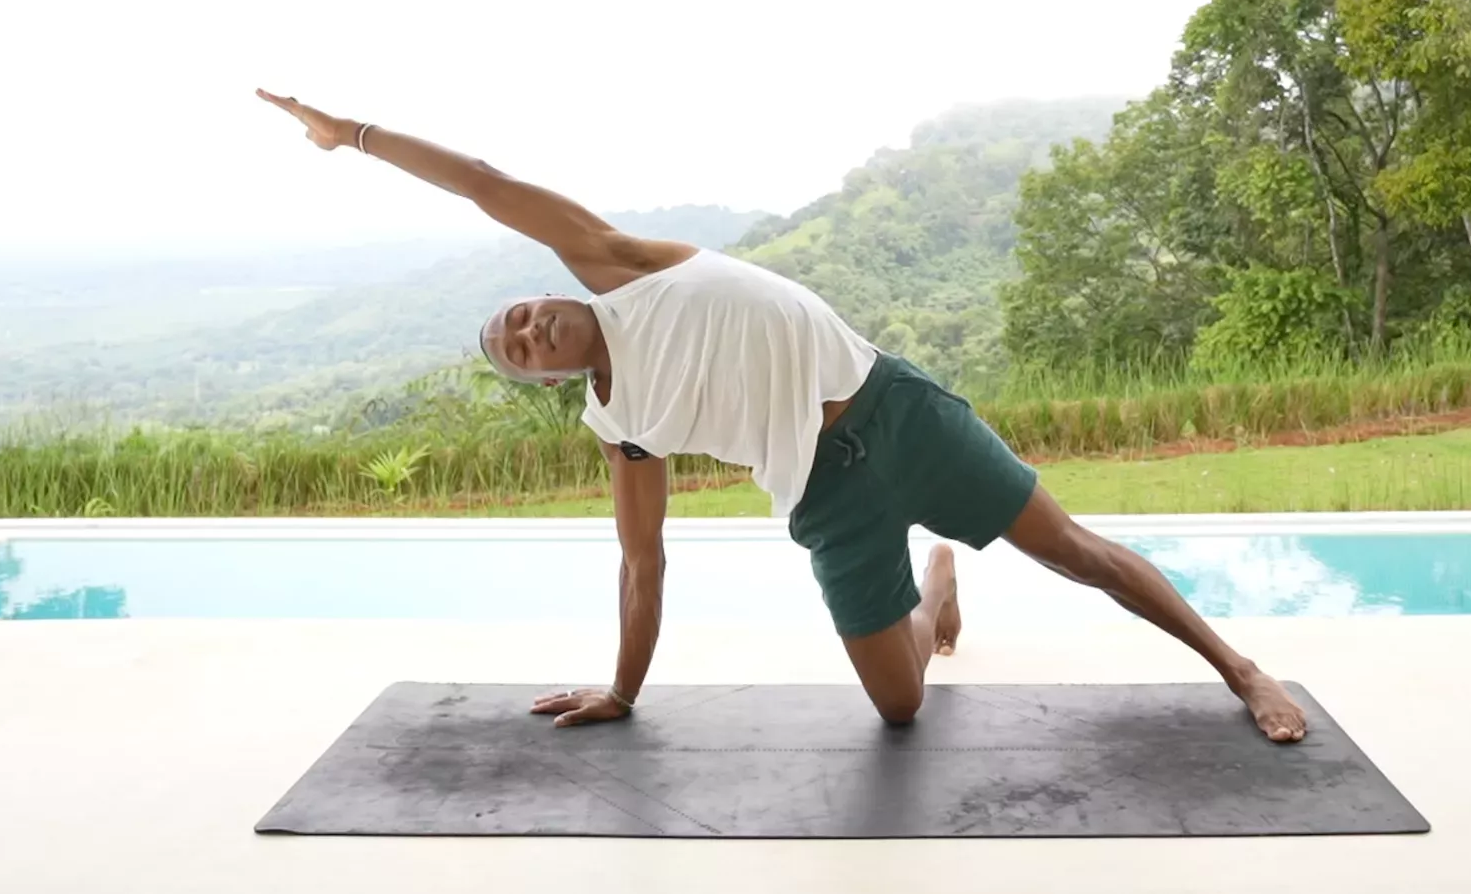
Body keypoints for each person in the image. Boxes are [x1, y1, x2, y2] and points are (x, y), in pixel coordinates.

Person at [258, 90, 1309, 742]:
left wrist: (349, 133)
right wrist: (623, 691)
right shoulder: (620, 424)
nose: (528, 328)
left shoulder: (618, 264)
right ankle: (936, 602)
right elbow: (643, 561)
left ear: (554, 292)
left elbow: (481, 182)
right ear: (543, 381)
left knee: (1074, 550)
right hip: (828, 501)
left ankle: (1238, 667)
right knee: (900, 710)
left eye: (523, 312)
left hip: (897, 414)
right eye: (517, 346)